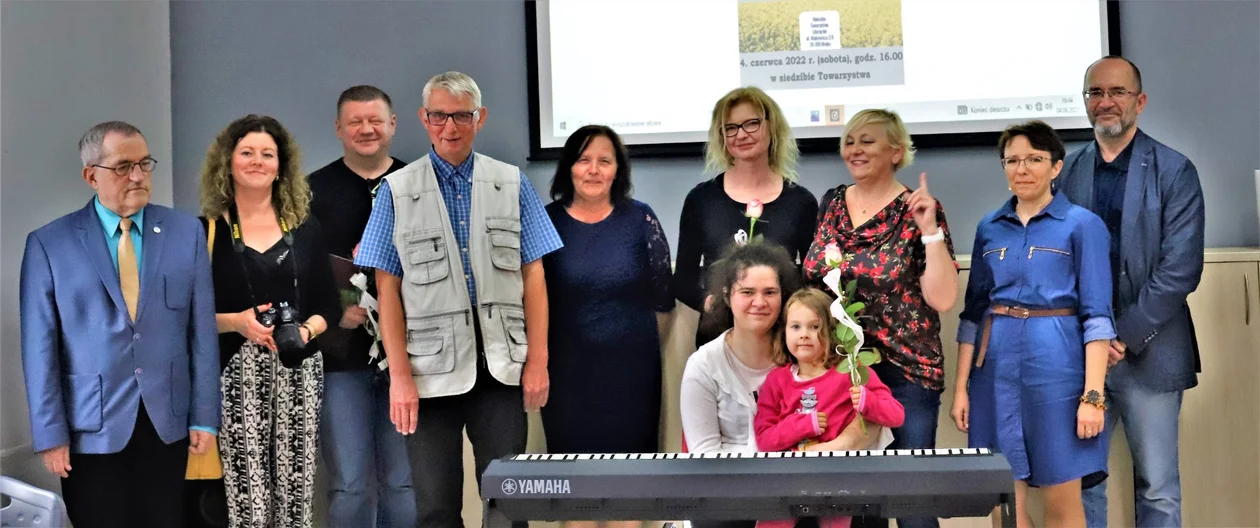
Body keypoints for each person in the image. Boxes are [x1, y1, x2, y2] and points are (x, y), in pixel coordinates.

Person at [354, 70, 563, 528]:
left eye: (462, 116)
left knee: (507, 504)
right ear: (424, 119)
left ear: (480, 118)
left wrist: (538, 360)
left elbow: (534, 276)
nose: (450, 127)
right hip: (428, 375)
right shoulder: (395, 191)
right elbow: (387, 290)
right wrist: (400, 378)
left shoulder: (511, 182)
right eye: (440, 116)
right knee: (435, 509)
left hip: (501, 370)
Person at [20, 121, 219, 527]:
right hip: (89, 427)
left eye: (145, 163)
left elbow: (201, 332)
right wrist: (50, 434)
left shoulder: (185, 233)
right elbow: (39, 348)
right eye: (124, 166)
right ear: (91, 176)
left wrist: (203, 415)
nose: (138, 176)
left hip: (167, 422)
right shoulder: (49, 243)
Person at [1056, 56, 1206, 528]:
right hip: (1079, 356)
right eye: (1095, 93)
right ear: (1085, 102)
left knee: (1157, 488)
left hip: (1149, 352)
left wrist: (1118, 338)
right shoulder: (1066, 172)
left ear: (1139, 102)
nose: (1106, 102)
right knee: (1082, 483)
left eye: (1117, 92)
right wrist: (1092, 342)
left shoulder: (1175, 170)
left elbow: (1180, 270)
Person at [953, 120, 1113, 528]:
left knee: (1062, 501)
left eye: (1034, 159)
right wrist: (961, 389)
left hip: (1058, 374)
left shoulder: (1082, 225)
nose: (1022, 169)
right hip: (994, 375)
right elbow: (973, 314)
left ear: (1056, 167)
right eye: (1012, 160)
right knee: (1003, 501)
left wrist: (1093, 397)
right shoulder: (989, 227)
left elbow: (1097, 317)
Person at [802, 109, 957, 528]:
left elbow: (943, 298)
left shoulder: (919, 208)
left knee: (911, 503)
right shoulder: (832, 203)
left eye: (867, 141)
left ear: (896, 151)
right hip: (843, 371)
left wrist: (930, 230)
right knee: (855, 505)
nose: (855, 150)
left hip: (905, 372)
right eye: (849, 141)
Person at [198, 114, 341, 528]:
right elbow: (190, 317)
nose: (257, 161)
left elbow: (329, 306)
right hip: (235, 372)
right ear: (228, 162)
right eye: (247, 153)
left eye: (267, 154)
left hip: (299, 367)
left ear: (281, 166)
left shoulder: (304, 227)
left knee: (297, 491)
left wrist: (306, 330)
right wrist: (237, 323)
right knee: (249, 495)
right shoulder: (206, 232)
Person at [680, 243, 878, 528]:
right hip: (730, 495)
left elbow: (870, 416)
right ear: (727, 295)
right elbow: (705, 459)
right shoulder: (703, 366)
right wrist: (778, 461)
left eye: (770, 292)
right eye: (747, 292)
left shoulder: (807, 349)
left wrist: (835, 446)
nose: (759, 302)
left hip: (809, 488)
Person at [307, 85, 416, 528]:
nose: (366, 129)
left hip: (410, 361)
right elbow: (296, 273)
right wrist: (335, 312)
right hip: (340, 362)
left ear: (393, 125)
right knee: (350, 483)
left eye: (375, 120)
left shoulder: (418, 184)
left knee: (404, 483)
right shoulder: (309, 192)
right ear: (339, 128)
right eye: (355, 121)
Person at [541, 126, 673, 464]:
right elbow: (533, 299)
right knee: (572, 476)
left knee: (631, 475)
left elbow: (663, 301)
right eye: (584, 160)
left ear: (618, 169)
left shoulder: (641, 218)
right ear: (569, 167)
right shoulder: (546, 221)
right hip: (566, 376)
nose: (594, 170)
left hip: (632, 375)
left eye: (604, 161)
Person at [675, 86, 818, 349]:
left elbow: (812, 277)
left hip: (781, 341)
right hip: (719, 339)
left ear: (771, 126)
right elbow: (683, 279)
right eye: (730, 128)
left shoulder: (801, 202)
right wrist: (710, 302)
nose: (741, 134)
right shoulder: (701, 200)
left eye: (752, 123)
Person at [754, 288, 905, 528]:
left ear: (832, 331)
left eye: (815, 327)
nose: (804, 335)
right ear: (784, 332)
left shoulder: (850, 371)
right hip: (787, 478)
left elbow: (896, 415)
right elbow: (764, 439)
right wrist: (804, 425)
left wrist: (868, 402)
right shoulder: (776, 380)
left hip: (837, 477)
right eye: (795, 327)